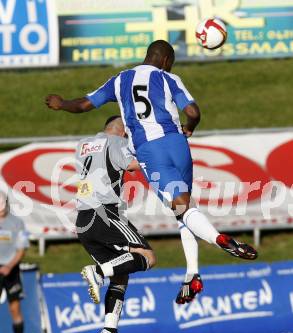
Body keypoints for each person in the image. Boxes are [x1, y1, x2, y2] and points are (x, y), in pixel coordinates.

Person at [46, 39, 257, 305]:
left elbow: (85, 105)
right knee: (186, 208)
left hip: (149, 151)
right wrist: (190, 127)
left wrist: (62, 103)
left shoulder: (120, 79)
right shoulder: (169, 78)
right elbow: (193, 111)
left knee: (181, 208)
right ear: (167, 61)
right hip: (177, 144)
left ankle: (218, 239)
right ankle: (192, 273)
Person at [76, 116, 156, 333]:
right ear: (122, 131)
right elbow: (133, 165)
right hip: (105, 212)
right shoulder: (118, 142)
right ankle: (98, 273)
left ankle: (109, 330)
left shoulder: (83, 144)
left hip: (82, 219)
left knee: (121, 271)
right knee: (147, 256)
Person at [0, 191, 29, 333]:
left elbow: (22, 248)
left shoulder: (18, 222)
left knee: (14, 308)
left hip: (11, 270)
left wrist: (9, 266)